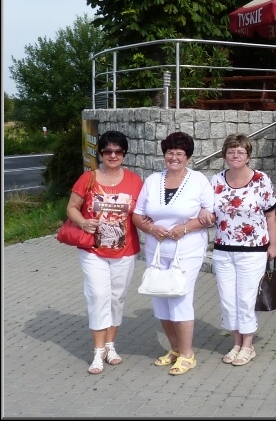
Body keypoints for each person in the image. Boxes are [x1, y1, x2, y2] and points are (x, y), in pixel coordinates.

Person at [132, 131, 214, 376]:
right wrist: (150, 228)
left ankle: (188, 355)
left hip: (187, 250)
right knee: (160, 298)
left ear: (188, 157)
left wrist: (185, 228)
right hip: (156, 249)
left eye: (179, 153)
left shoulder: (199, 180)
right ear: (164, 155)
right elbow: (137, 214)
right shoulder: (153, 180)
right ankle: (175, 349)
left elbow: (209, 215)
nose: (174, 157)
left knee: (179, 297)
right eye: (170, 153)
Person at [66, 130, 144, 375]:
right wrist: (83, 223)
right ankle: (98, 352)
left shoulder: (135, 181)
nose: (113, 155)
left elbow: (142, 213)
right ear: (100, 153)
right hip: (93, 250)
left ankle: (111, 346)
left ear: (124, 154)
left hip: (125, 250)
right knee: (99, 296)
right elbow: (72, 207)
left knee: (117, 298)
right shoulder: (88, 178)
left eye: (118, 151)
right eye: (108, 151)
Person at [209, 134, 276, 366]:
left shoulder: (261, 180)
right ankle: (236, 342)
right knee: (228, 299)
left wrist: (273, 245)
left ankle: (248, 345)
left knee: (246, 298)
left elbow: (271, 215)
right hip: (223, 249)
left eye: (240, 151)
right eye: (231, 151)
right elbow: (208, 210)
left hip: (253, 249)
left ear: (248, 156)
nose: (235, 155)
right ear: (225, 155)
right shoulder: (216, 180)